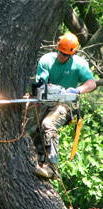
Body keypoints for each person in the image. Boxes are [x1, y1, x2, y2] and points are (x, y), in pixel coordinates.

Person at [34, 33, 96, 180]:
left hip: (66, 105)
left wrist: (78, 90)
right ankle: (40, 162)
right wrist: (39, 93)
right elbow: (40, 83)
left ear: (72, 54)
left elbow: (92, 83)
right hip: (48, 103)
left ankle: (52, 167)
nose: (62, 57)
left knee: (48, 124)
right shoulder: (46, 60)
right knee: (39, 134)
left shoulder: (79, 64)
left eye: (65, 55)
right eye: (60, 53)